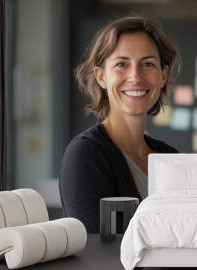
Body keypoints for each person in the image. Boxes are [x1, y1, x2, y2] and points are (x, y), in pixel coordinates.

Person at [59, 16, 180, 233]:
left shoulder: (171, 158)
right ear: (101, 76)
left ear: (163, 75)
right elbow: (97, 253)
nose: (135, 76)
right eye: (121, 64)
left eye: (148, 64)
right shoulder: (85, 156)